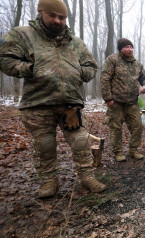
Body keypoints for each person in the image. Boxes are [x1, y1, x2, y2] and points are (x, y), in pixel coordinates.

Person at [0, 0, 106, 198]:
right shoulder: (24, 35)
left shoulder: (75, 42)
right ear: (41, 12)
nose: (57, 20)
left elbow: (91, 66)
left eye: (62, 17)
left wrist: (79, 72)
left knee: (81, 141)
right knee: (44, 144)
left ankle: (87, 177)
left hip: (70, 104)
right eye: (52, 15)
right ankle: (49, 181)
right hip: (38, 103)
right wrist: (29, 69)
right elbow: (5, 59)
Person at [100, 38, 145, 162]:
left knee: (138, 126)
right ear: (120, 48)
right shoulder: (112, 60)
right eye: (126, 47)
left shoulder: (137, 64)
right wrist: (108, 99)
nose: (129, 49)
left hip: (132, 102)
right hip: (116, 102)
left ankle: (133, 150)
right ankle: (118, 152)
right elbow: (104, 79)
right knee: (116, 128)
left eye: (131, 47)